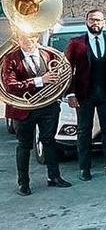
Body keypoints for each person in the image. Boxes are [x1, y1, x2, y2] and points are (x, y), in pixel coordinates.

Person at [1, 35, 72, 195]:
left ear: (37, 37)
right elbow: (10, 86)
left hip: (48, 107)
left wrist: (56, 83)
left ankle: (54, 177)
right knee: (24, 146)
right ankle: (23, 183)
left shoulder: (48, 54)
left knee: (49, 142)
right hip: (23, 109)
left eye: (31, 37)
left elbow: (61, 75)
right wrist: (40, 80)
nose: (28, 41)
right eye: (24, 38)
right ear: (18, 39)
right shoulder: (10, 58)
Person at [64, 9, 106, 178]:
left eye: (98, 20)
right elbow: (67, 70)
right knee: (84, 131)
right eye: (92, 20)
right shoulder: (76, 43)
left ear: (104, 22)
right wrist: (70, 94)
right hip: (84, 95)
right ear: (86, 22)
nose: (95, 23)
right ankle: (85, 169)